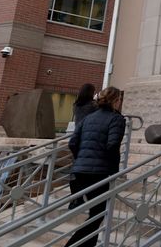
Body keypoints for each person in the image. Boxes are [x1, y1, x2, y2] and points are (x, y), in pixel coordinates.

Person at [65, 87, 126, 247]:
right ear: (115, 101)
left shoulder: (89, 118)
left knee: (96, 213)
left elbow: (72, 142)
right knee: (97, 214)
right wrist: (113, 171)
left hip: (80, 172)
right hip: (100, 172)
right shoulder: (116, 119)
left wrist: (81, 159)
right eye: (119, 99)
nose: (120, 103)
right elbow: (113, 145)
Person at [68, 83, 98, 209]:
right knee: (88, 169)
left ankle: (75, 199)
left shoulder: (76, 105)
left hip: (77, 137)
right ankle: (84, 197)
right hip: (88, 138)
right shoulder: (92, 106)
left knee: (76, 169)